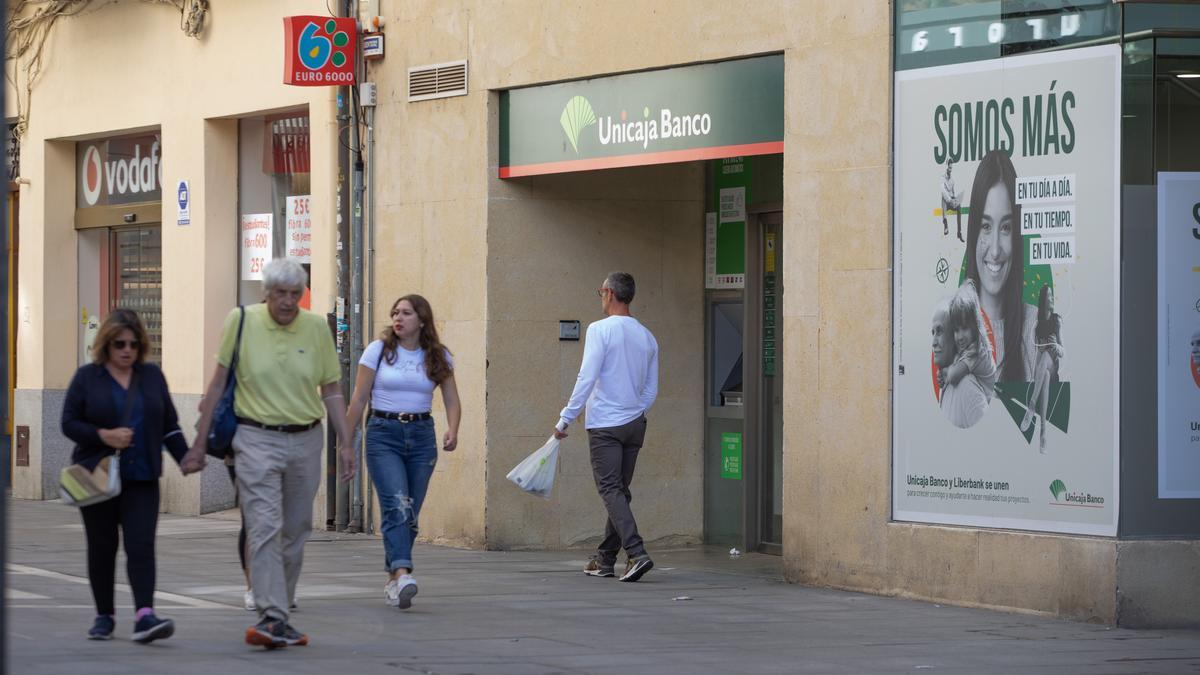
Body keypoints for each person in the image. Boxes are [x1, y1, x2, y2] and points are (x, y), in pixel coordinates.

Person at [183, 258, 354, 649]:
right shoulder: (241, 321)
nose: (289, 302)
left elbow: (331, 388)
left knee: (296, 530)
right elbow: (218, 383)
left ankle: (279, 610)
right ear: (267, 293)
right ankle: (272, 615)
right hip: (255, 438)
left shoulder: (314, 328)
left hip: (307, 439)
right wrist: (198, 443)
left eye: (296, 294)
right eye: (281, 294)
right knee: (263, 526)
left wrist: (346, 443)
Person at [61, 309, 190, 643]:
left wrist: (186, 458)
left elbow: (169, 426)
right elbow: (68, 423)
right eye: (119, 343)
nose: (127, 350)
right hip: (98, 476)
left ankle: (144, 616)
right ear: (106, 344)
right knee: (102, 547)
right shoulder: (88, 378)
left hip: (142, 476)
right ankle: (104, 616)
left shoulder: (151, 377)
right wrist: (104, 436)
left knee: (141, 545)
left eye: (133, 344)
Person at [345, 294, 461, 610]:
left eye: (406, 313)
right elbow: (358, 399)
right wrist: (346, 440)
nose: (398, 318)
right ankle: (403, 571)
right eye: (395, 312)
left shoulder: (438, 356)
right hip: (384, 434)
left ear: (421, 320)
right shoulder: (379, 351)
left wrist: (453, 428)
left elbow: (451, 398)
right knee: (397, 505)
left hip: (422, 435)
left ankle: (393, 579)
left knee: (409, 514)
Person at [554, 272, 659, 582]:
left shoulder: (600, 330)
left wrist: (565, 419)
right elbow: (652, 388)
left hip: (605, 424)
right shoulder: (647, 336)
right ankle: (605, 559)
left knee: (611, 490)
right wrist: (636, 410)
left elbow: (587, 377)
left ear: (610, 293)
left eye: (600, 291)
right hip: (634, 422)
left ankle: (637, 553)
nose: (600, 296)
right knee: (619, 492)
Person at [964, 150, 1036, 382]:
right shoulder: (949, 327)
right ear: (973, 232)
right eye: (985, 226)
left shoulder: (1036, 329)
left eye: (1005, 228)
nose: (995, 251)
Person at [939, 281, 996, 429]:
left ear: (975, 326)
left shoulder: (976, 351)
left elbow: (954, 376)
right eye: (956, 330)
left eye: (965, 328)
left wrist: (945, 373)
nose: (960, 336)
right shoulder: (967, 349)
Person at [1022, 284, 1065, 453]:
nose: (1052, 298)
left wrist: (1055, 345)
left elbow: (1062, 352)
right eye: (1049, 296)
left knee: (1048, 360)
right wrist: (1039, 351)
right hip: (1042, 372)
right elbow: (1037, 360)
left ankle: (1031, 405)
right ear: (1043, 300)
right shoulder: (1037, 325)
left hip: (1054, 369)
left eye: (1052, 295)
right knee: (1044, 374)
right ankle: (1043, 432)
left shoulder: (1057, 320)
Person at [940, 160, 963, 240]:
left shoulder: (953, 180)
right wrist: (950, 200)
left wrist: (955, 198)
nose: (950, 169)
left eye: (951, 168)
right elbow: (943, 191)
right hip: (946, 202)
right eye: (949, 168)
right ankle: (945, 224)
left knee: (959, 206)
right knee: (943, 199)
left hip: (951, 202)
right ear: (946, 167)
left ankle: (959, 232)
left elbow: (953, 192)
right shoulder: (942, 177)